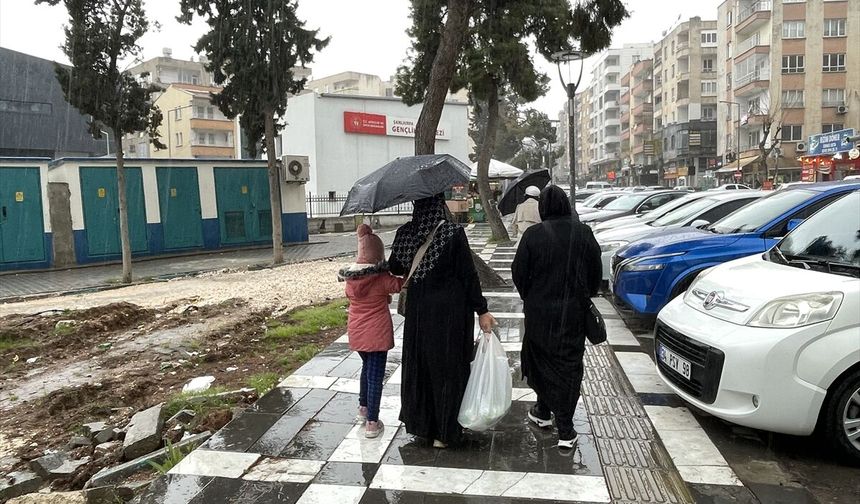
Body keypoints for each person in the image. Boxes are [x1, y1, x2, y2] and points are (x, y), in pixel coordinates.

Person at [389, 194, 496, 448]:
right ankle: (444, 433)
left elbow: (394, 267)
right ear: (439, 205)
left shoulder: (405, 232)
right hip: (450, 314)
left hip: (418, 313)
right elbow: (468, 275)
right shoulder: (452, 233)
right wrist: (482, 310)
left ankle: (422, 425)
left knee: (421, 367)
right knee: (448, 370)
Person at [510, 185, 601, 449]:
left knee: (540, 362)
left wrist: (532, 296)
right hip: (572, 314)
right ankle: (557, 421)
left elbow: (519, 273)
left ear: (543, 208)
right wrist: (585, 294)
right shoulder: (583, 233)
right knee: (568, 366)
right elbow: (595, 271)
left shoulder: (533, 235)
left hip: (540, 314)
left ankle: (554, 419)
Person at [339, 224, 405, 438]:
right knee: (375, 377)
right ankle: (372, 423)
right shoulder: (382, 278)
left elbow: (363, 297)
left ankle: (363, 409)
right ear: (379, 256)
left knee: (367, 370)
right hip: (377, 335)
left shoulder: (351, 280)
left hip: (357, 333)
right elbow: (400, 284)